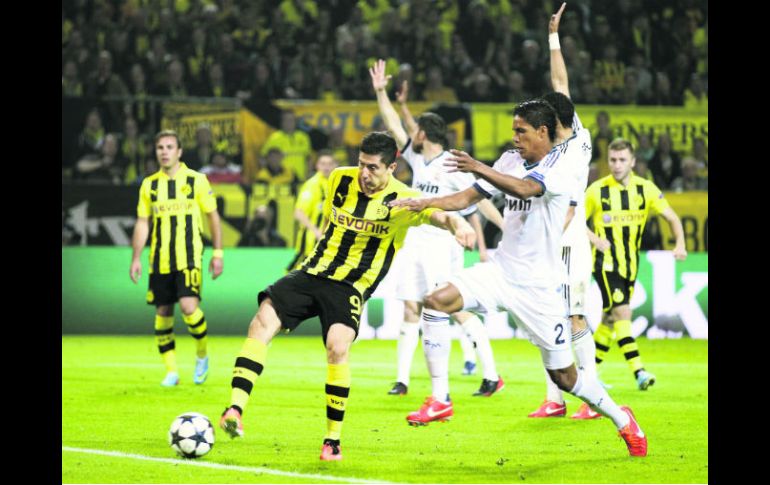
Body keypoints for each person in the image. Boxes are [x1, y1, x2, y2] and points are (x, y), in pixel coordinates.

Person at [391, 99, 648, 457]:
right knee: (435, 301)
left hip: (540, 288)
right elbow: (468, 195)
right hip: (500, 271)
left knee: (566, 379)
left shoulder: (561, 166)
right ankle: (440, 398)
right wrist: (424, 204)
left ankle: (623, 420)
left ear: (543, 132)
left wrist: (478, 166)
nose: (514, 138)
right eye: (513, 130)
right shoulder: (510, 160)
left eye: (520, 131)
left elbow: (525, 189)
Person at [218, 131, 476, 461]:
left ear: (392, 167)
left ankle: (332, 441)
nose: (364, 174)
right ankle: (235, 410)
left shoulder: (405, 198)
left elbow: (437, 214)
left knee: (337, 347)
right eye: (361, 165)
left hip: (350, 286)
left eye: (372, 168)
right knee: (262, 320)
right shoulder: (339, 179)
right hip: (313, 272)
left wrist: (459, 225)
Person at [369, 59, 505, 398]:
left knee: (452, 308)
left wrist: (502, 226)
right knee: (410, 306)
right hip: (415, 239)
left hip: (444, 244)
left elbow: (481, 198)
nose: (410, 133)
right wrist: (381, 92)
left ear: (424, 134)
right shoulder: (417, 159)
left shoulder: (454, 163)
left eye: (416, 130)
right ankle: (401, 380)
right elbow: (393, 124)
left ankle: (491, 375)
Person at [528, 2, 601, 420]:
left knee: (571, 313)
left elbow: (570, 208)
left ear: (556, 123)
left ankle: (589, 392)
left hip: (567, 237)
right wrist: (553, 37)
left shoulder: (569, 155)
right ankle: (555, 398)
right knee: (548, 314)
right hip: (553, 234)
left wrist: (550, 238)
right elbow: (561, 81)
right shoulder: (575, 131)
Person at [586, 137, 687, 390]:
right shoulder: (596, 190)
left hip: (630, 265)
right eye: (612, 160)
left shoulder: (647, 189)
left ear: (633, 162)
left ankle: (589, 373)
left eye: (622, 160)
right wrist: (595, 239)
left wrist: (680, 244)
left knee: (610, 320)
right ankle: (639, 371)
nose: (617, 165)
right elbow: (573, 220)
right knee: (622, 313)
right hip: (605, 264)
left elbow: (672, 217)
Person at [129, 130, 224, 387]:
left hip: (189, 256)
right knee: (163, 311)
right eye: (160, 147)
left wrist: (218, 252)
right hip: (159, 259)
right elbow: (142, 222)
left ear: (179, 151)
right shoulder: (149, 184)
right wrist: (136, 257)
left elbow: (213, 217)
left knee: (188, 308)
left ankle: (202, 355)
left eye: (169, 147)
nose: (164, 151)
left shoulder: (197, 180)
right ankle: (171, 370)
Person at [285, 150, 339, 271]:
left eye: (330, 163)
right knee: (297, 270)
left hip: (331, 239)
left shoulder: (339, 184)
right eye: (323, 163)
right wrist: (316, 231)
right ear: (317, 166)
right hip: (311, 240)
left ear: (336, 165)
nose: (326, 167)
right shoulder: (312, 185)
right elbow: (299, 213)